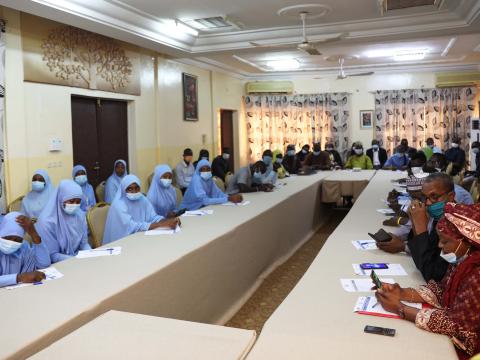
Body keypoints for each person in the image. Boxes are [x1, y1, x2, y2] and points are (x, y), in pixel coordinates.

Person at [375, 202, 480, 359]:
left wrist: (399, 308)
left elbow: (457, 326)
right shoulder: (464, 259)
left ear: (466, 241)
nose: (439, 245)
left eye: (445, 241)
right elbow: (442, 290)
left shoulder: (476, 273)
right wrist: (402, 292)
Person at [103, 174, 179, 244]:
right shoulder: (118, 205)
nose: (134, 191)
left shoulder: (142, 199)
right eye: (129, 189)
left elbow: (153, 217)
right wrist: (162, 225)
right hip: (122, 242)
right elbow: (132, 227)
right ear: (123, 189)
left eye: (137, 188)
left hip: (140, 237)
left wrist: (168, 221)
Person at [36, 180, 91, 263]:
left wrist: (89, 253)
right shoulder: (46, 222)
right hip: (57, 264)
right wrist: (74, 260)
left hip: (77, 260)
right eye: (71, 201)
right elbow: (52, 255)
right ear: (61, 198)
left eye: (78, 201)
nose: (75, 205)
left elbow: (84, 244)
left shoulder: (79, 215)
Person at [0, 212, 51, 288]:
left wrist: (34, 234)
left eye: (17, 239)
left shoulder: (23, 247)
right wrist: (19, 278)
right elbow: (21, 278)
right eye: (7, 238)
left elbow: (44, 263)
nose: (12, 242)